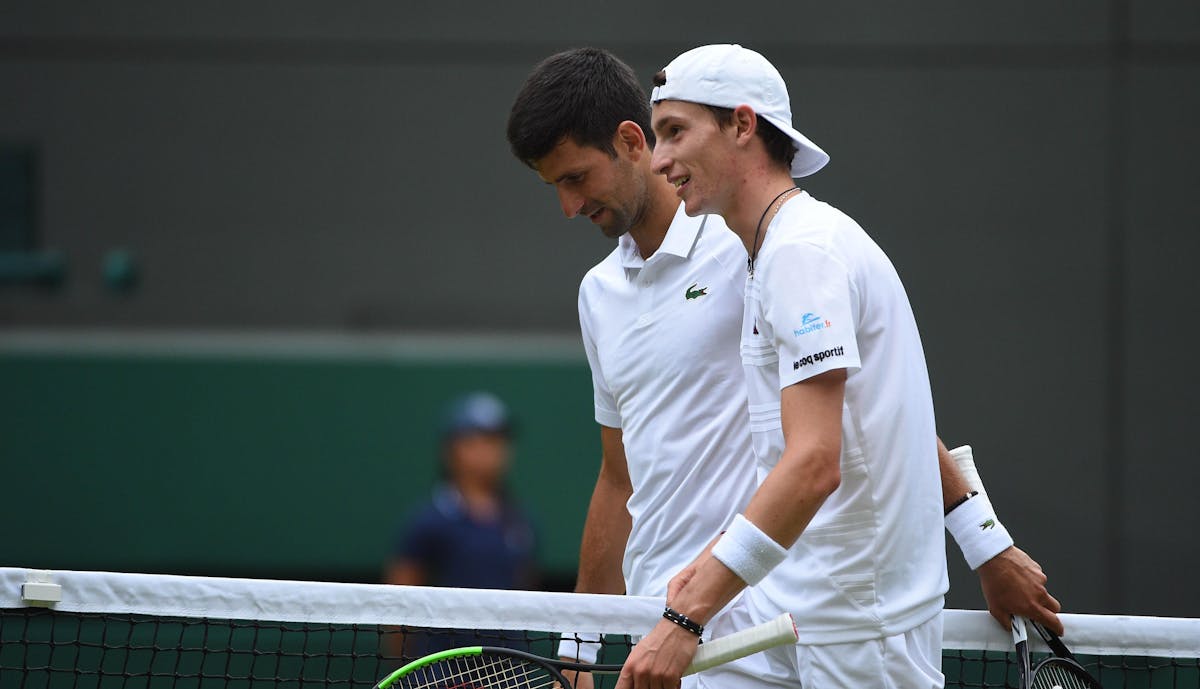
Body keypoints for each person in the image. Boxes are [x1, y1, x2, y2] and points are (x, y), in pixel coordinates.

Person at [505, 47, 1059, 688]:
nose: (568, 208)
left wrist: (984, 539)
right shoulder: (615, 291)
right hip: (676, 625)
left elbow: (863, 419)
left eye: (576, 179)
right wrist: (579, 645)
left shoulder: (779, 248)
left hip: (753, 620)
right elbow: (619, 476)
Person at [384, 391, 539, 654]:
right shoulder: (427, 522)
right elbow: (400, 605)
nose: (490, 451)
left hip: (507, 670)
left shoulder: (521, 522)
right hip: (439, 671)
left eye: (497, 441)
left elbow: (525, 591)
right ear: (452, 450)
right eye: (477, 440)